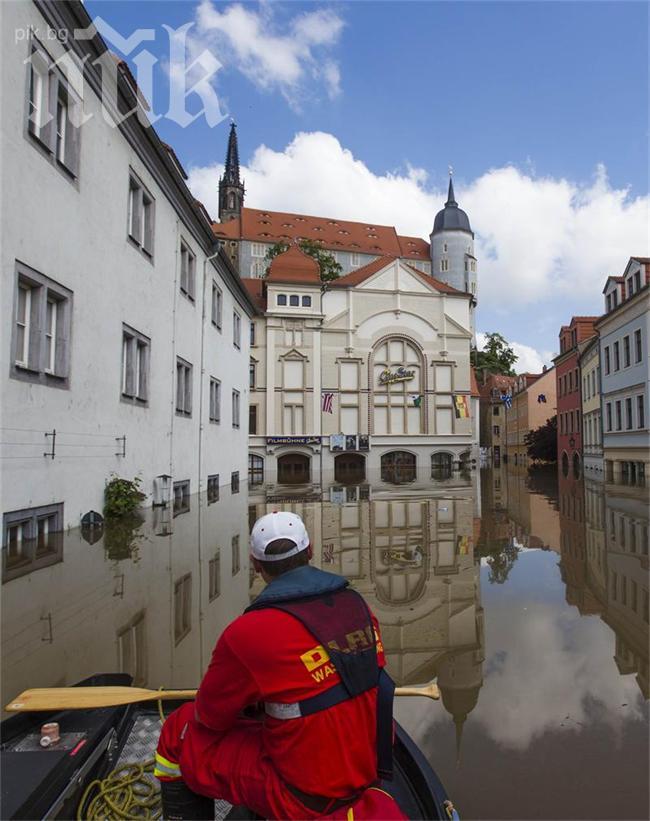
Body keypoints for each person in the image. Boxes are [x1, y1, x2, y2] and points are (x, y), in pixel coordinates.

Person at [155, 511, 405, 820]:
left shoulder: (247, 632)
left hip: (303, 797)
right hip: (367, 770)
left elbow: (209, 717)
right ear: (310, 551)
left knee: (177, 731)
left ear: (255, 565)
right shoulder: (357, 605)